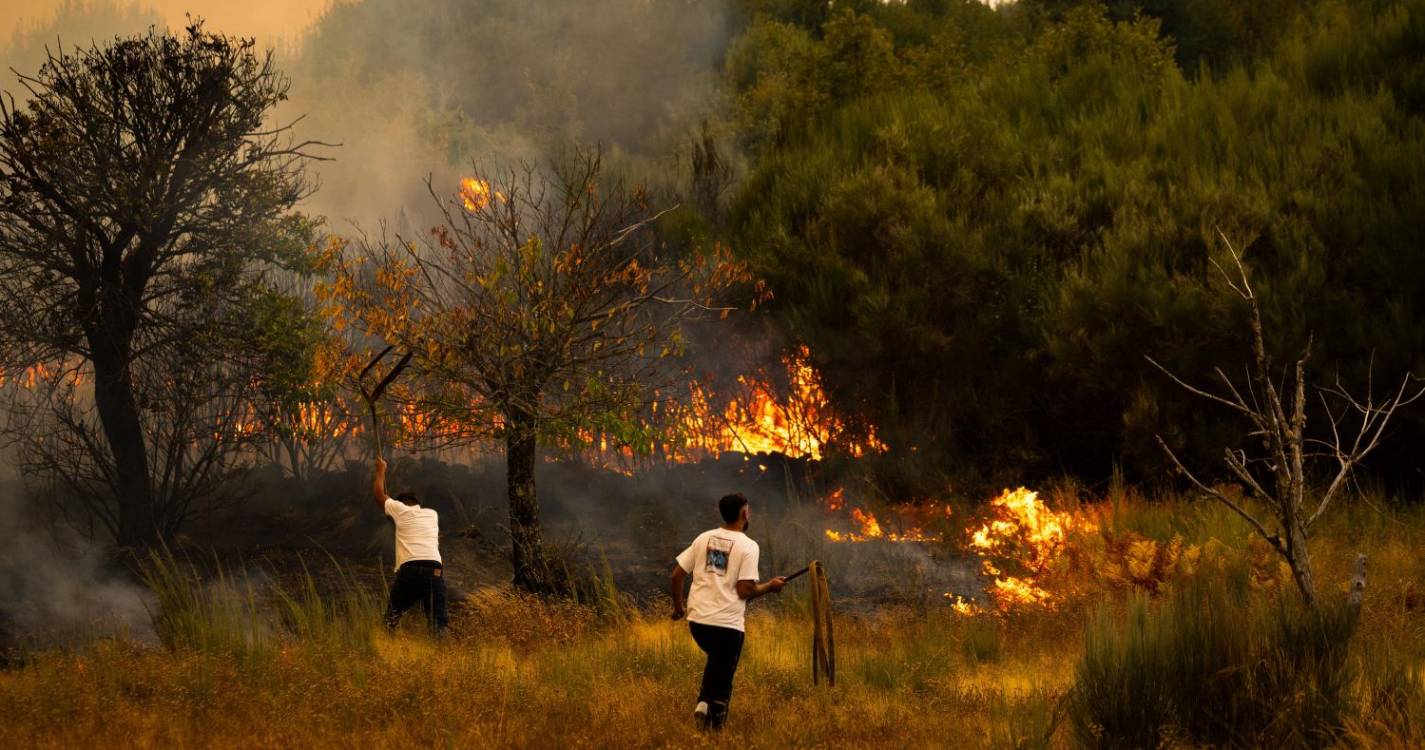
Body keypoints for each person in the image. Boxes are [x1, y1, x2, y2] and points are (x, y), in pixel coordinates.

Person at [669, 492, 786, 730]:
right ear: (744, 514)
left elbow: (676, 575)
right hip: (727, 626)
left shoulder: (704, 538)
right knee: (723, 677)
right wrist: (770, 587)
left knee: (716, 662)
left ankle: (703, 702)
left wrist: (679, 608)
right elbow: (745, 590)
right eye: (748, 510)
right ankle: (714, 730)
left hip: (698, 623)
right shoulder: (748, 545)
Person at [374, 457, 447, 637]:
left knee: (392, 617)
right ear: (417, 504)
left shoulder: (400, 509)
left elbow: (378, 494)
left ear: (401, 504)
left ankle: (387, 646)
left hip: (411, 569)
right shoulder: (432, 514)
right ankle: (442, 654)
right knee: (438, 623)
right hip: (435, 570)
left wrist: (381, 469)